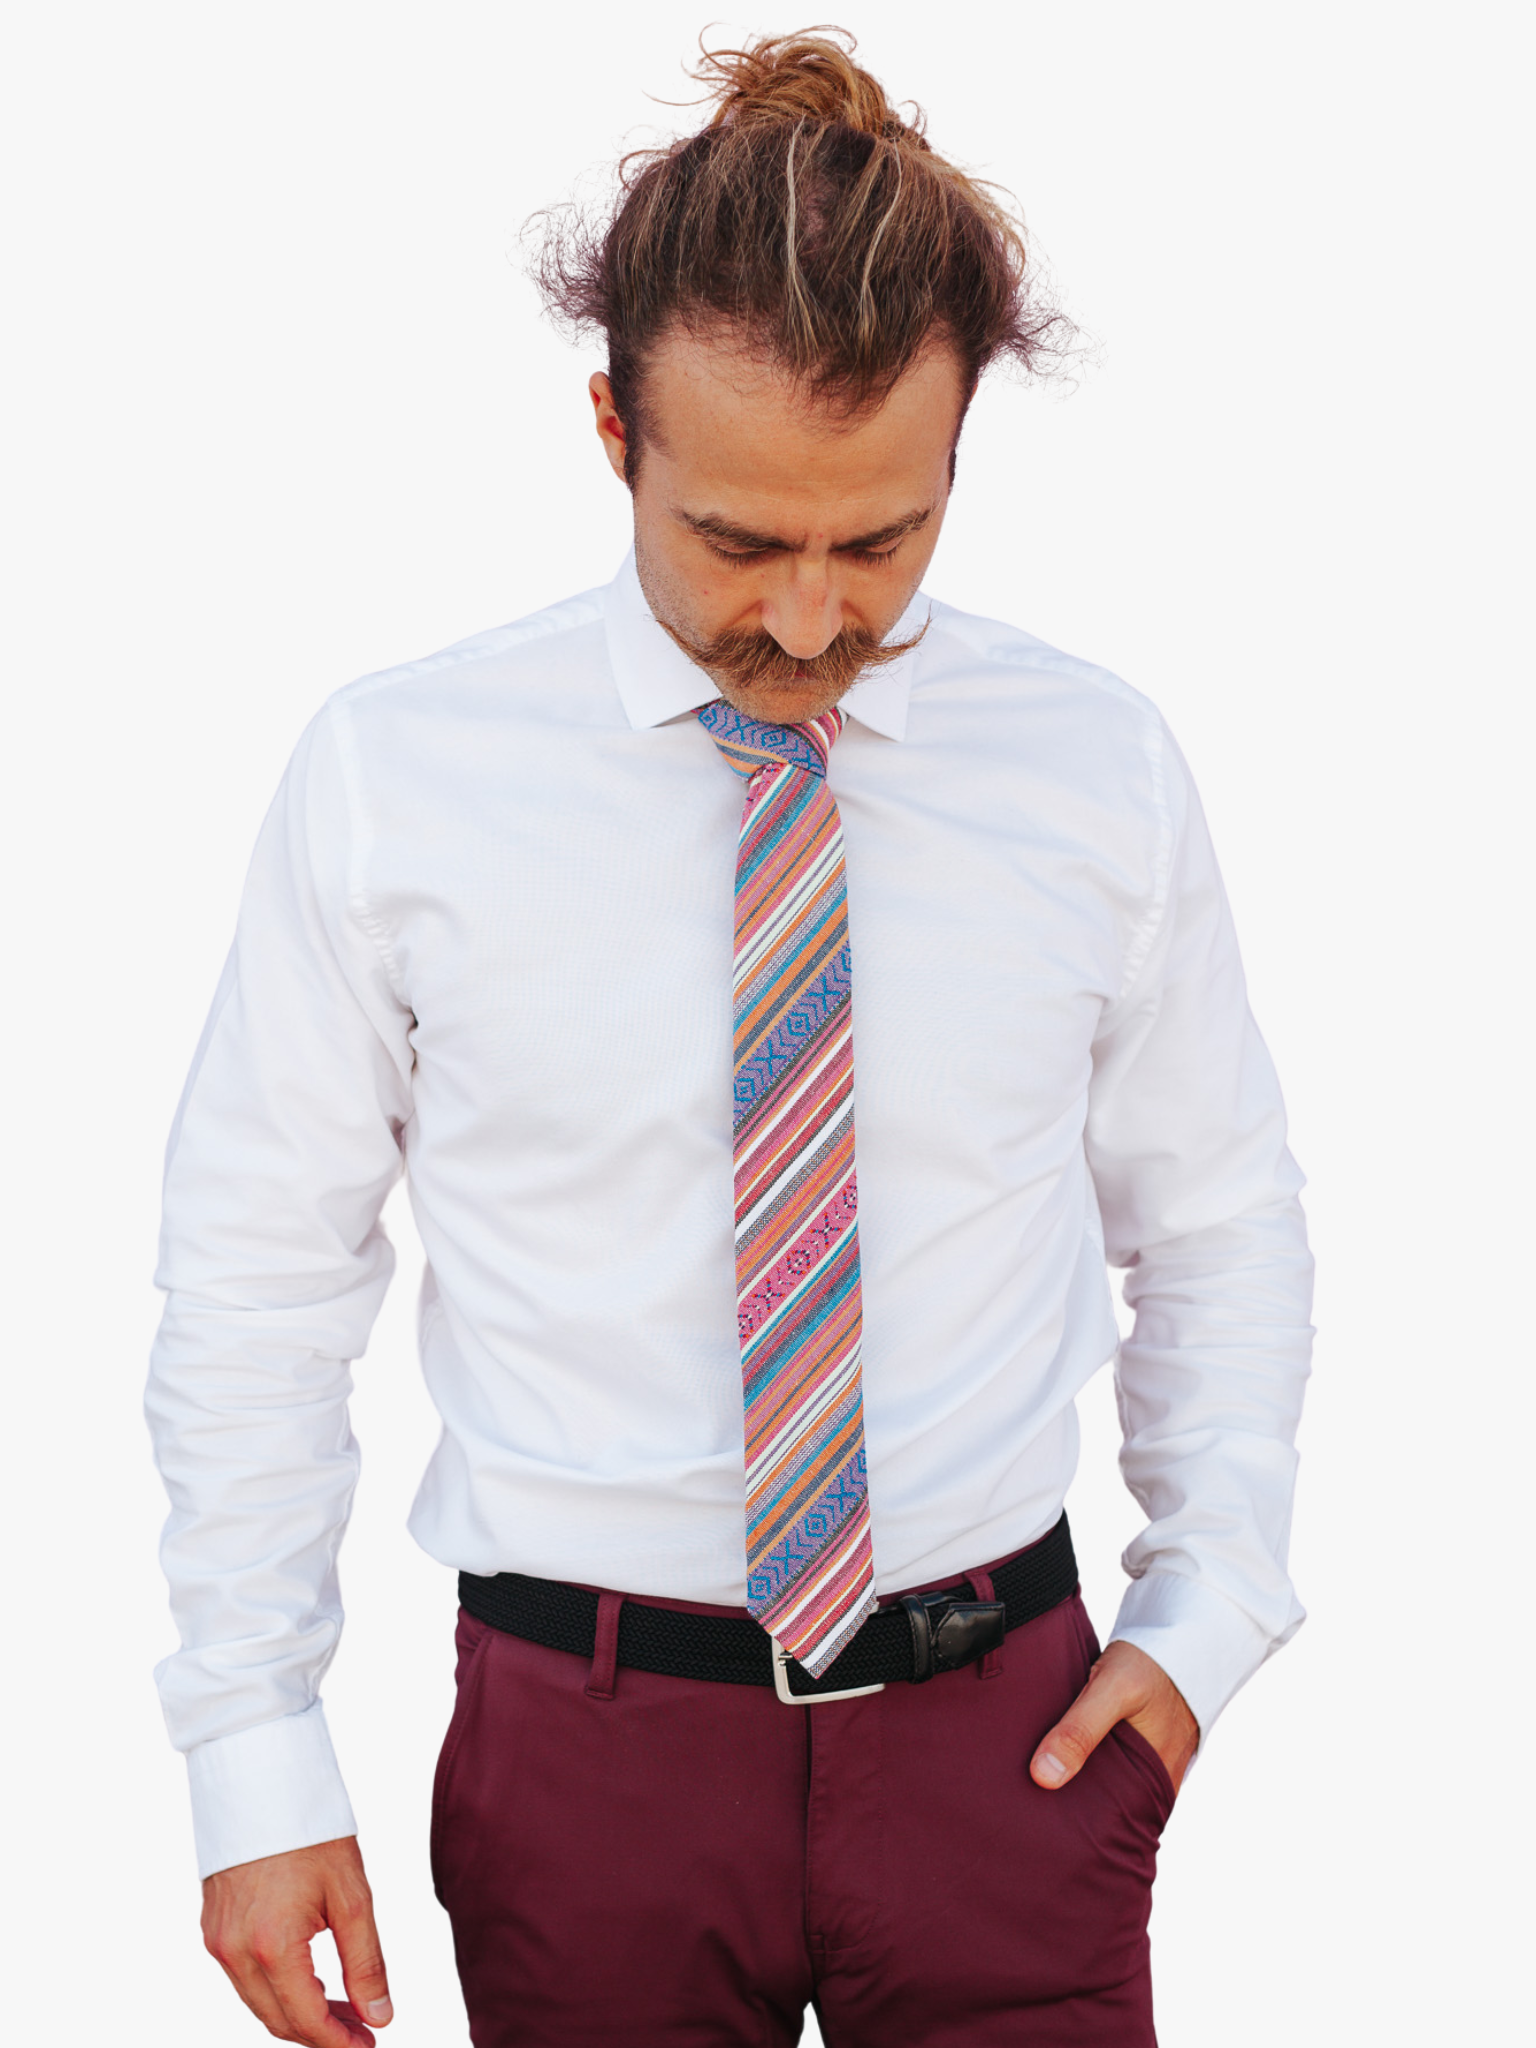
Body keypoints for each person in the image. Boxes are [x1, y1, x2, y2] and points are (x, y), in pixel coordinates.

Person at [148, 29, 1313, 2048]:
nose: (803, 620)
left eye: (880, 543)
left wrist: (1209, 1615)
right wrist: (251, 1749)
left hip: (1005, 1748)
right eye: (739, 541)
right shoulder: (395, 778)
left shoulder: (1096, 770)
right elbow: (259, 1274)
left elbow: (1214, 1214)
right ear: (614, 431)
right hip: (582, 1764)